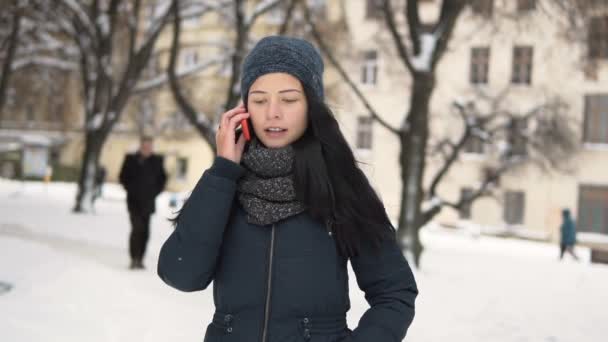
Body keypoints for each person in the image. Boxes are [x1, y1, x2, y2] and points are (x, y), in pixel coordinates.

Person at [157, 36, 418, 342]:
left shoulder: (342, 184)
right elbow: (181, 274)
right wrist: (224, 171)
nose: (273, 112)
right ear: (244, 109)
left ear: (311, 105)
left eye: (289, 99)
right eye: (259, 99)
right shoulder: (224, 184)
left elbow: (394, 293)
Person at [119, 136, 167, 270]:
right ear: (141, 146)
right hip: (133, 201)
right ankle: (133, 258)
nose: (147, 148)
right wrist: (131, 189)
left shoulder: (157, 160)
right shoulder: (131, 159)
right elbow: (122, 177)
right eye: (144, 146)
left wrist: (154, 192)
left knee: (145, 231)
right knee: (136, 229)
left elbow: (162, 179)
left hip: (148, 202)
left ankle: (140, 258)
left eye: (149, 146)